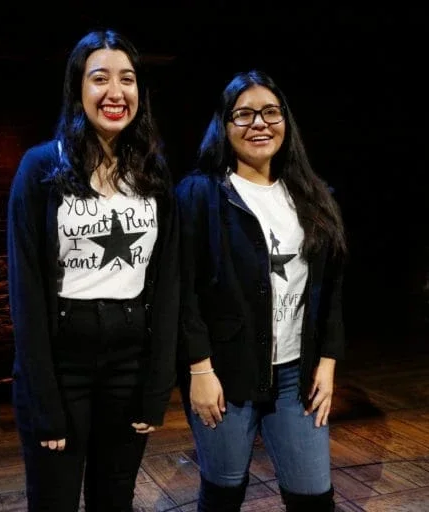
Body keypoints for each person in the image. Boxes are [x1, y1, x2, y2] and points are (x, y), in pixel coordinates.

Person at [6, 29, 179, 512]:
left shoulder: (153, 171)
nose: (115, 92)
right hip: (61, 371)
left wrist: (156, 386)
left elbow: (167, 284)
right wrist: (45, 403)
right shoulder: (40, 167)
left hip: (130, 368)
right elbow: (25, 290)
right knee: (54, 502)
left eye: (127, 79)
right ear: (77, 88)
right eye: (99, 78)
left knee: (114, 501)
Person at [175, 69, 347, 511]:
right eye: (245, 114)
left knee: (314, 498)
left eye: (271, 112)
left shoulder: (314, 195)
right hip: (224, 375)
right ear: (224, 124)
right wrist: (199, 369)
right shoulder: (200, 194)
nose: (259, 124)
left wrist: (327, 361)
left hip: (297, 377)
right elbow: (183, 290)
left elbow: (330, 290)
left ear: (285, 122)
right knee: (223, 495)